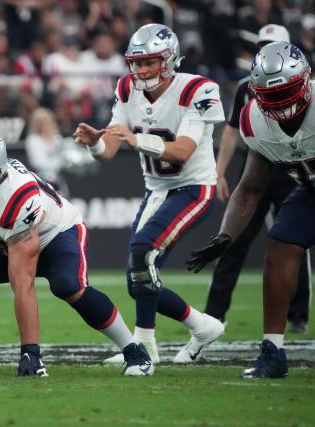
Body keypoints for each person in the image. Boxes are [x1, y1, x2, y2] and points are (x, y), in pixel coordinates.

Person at [0, 128, 153, 377]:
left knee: (68, 286)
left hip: (56, 235)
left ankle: (135, 350)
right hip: (3, 241)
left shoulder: (17, 199)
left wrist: (31, 352)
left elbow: (23, 285)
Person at [74, 23, 225, 366]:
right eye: (137, 63)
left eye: (149, 63)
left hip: (193, 188)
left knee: (143, 255)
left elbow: (183, 151)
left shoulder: (196, 90)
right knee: (136, 277)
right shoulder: (127, 87)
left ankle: (148, 346)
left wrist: (136, 140)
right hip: (156, 189)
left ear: (169, 60)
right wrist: (95, 143)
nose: (141, 70)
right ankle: (201, 327)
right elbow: (111, 145)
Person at [187, 42, 315, 379]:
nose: (280, 104)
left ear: (307, 81)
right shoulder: (254, 119)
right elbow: (250, 188)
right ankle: (273, 350)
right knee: (280, 242)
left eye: (287, 93)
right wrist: (226, 235)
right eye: (271, 96)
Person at [205, 24, 311, 333]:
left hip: (292, 167)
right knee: (231, 241)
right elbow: (231, 129)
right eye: (264, 45)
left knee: (293, 243)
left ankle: (299, 314)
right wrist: (220, 170)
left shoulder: (310, 87)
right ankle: (214, 314)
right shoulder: (245, 86)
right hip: (255, 166)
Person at [25, 107, 67, 194]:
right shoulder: (33, 140)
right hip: (41, 181)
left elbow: (64, 158)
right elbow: (38, 162)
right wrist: (57, 163)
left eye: (46, 121)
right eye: (41, 122)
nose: (44, 125)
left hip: (59, 180)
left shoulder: (57, 139)